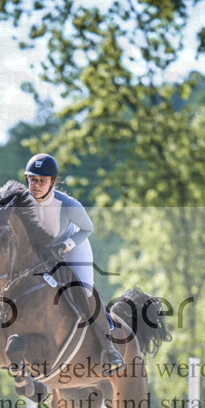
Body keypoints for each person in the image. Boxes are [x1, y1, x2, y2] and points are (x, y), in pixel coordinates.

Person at [24, 153, 125, 374]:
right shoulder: (21, 203)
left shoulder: (68, 204)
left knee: (85, 292)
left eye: (42, 181)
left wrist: (67, 245)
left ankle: (108, 348)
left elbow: (87, 229)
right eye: (32, 179)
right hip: (41, 254)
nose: (36, 185)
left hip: (71, 248)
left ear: (53, 182)